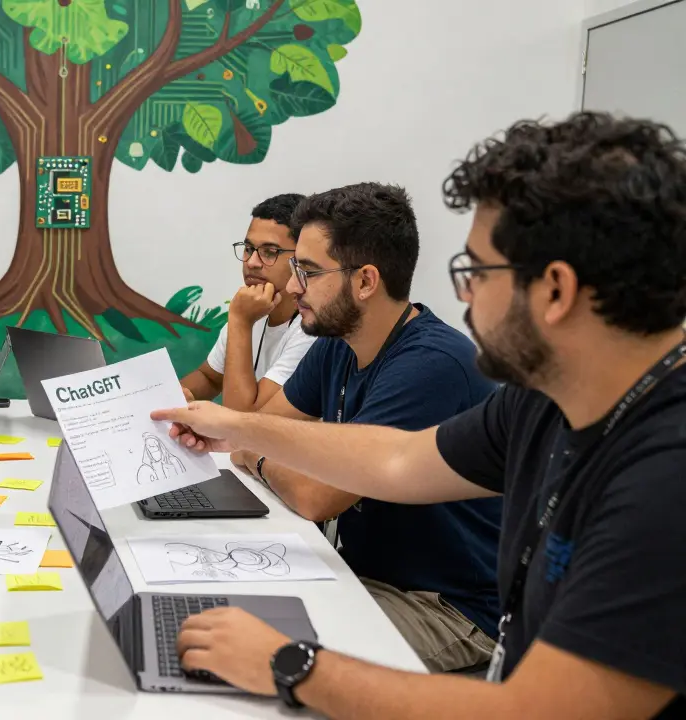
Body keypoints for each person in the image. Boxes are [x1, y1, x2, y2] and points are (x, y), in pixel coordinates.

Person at [156, 113, 686, 718]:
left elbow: (537, 712)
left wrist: (291, 663)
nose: (463, 295)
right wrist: (237, 427)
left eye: (476, 273)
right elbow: (400, 458)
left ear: (556, 290)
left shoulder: (664, 478)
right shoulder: (542, 400)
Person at [221, 183, 503, 673]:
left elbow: (312, 494)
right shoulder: (337, 342)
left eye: (306, 272)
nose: (291, 288)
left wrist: (258, 454)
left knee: (264, 659)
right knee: (224, 614)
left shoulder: (431, 364)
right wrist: (252, 443)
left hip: (446, 608)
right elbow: (252, 429)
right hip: (365, 578)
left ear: (366, 281)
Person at [180, 193, 316, 410]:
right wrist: (170, 398)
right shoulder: (253, 309)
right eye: (249, 249)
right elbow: (209, 377)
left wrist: (241, 322)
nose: (252, 262)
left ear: (302, 258)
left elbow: (245, 418)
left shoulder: (314, 329)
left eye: (269, 252)